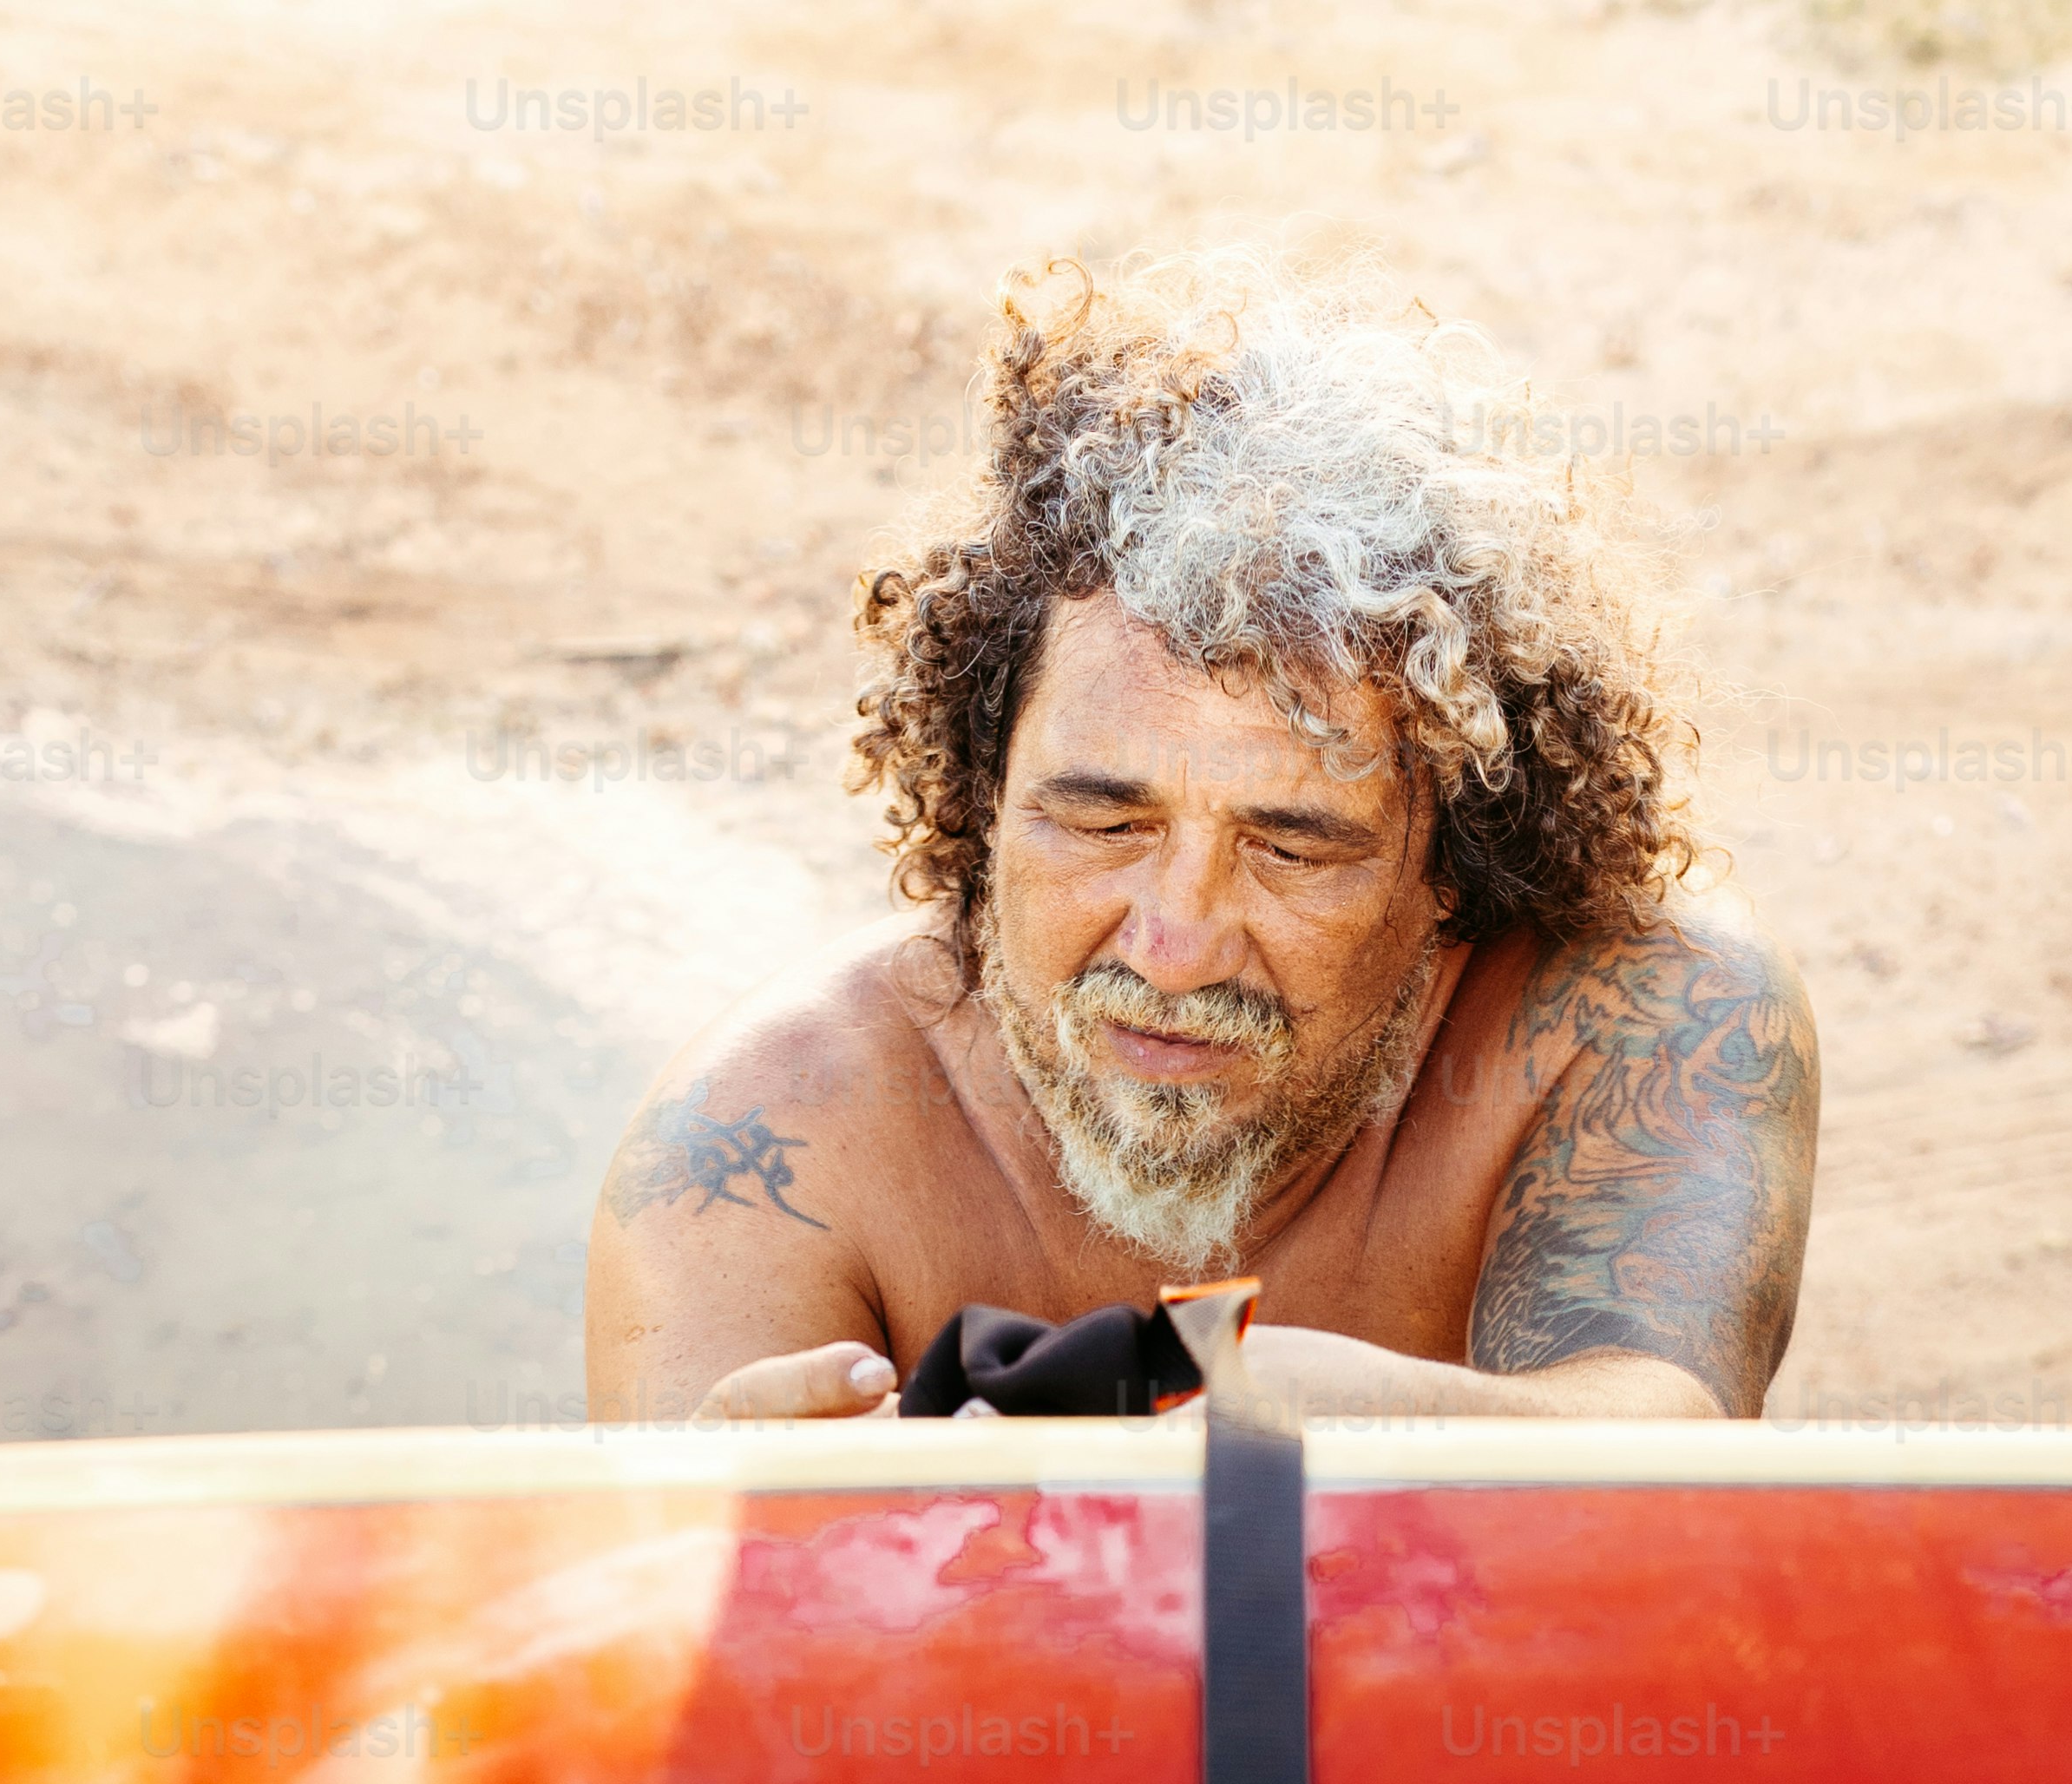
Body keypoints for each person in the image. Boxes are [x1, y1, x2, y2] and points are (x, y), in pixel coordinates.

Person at [585, 259, 1816, 1431]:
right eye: (1102, 823)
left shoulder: (1645, 1013)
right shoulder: (763, 1142)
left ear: (1454, 867)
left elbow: (1662, 1449)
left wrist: (1371, 1431)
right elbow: (654, 1596)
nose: (1173, 948)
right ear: (979, 795)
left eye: (1293, 850)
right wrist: (724, 1537)